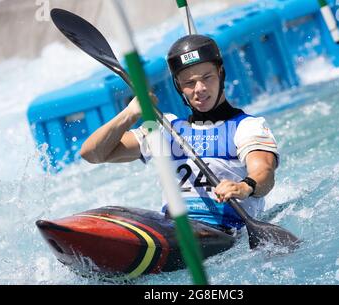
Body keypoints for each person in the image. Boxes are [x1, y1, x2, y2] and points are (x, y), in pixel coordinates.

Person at [80, 34, 280, 235]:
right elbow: (92, 154)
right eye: (189, 82)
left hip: (226, 230)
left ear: (220, 74)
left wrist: (244, 187)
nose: (199, 89)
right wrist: (129, 114)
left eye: (207, 78)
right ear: (178, 86)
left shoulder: (247, 126)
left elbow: (264, 172)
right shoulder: (164, 126)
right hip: (173, 228)